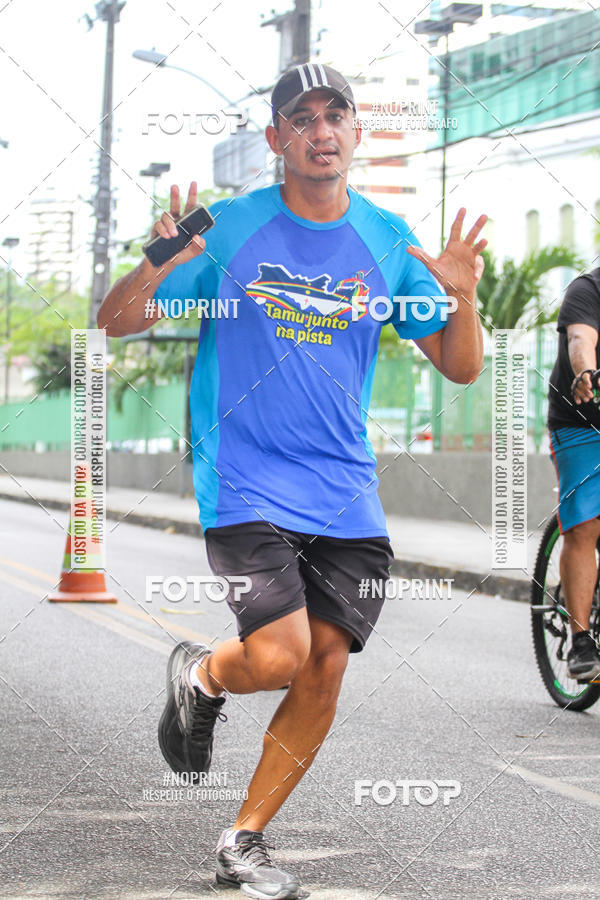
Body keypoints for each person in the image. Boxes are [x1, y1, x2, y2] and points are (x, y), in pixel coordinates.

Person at [98, 63, 487, 900]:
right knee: (279, 654)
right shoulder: (228, 228)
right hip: (243, 481)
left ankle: (244, 838)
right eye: (301, 118)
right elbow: (116, 321)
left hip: (346, 490)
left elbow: (460, 368)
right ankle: (203, 675)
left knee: (325, 664)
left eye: (334, 114)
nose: (320, 130)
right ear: (276, 138)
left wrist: (463, 300)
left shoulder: (387, 238)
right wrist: (160, 263)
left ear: (356, 132)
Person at [547, 268, 600, 682]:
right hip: (582, 421)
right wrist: (586, 373)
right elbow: (580, 340)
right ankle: (581, 640)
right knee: (584, 525)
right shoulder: (588, 289)